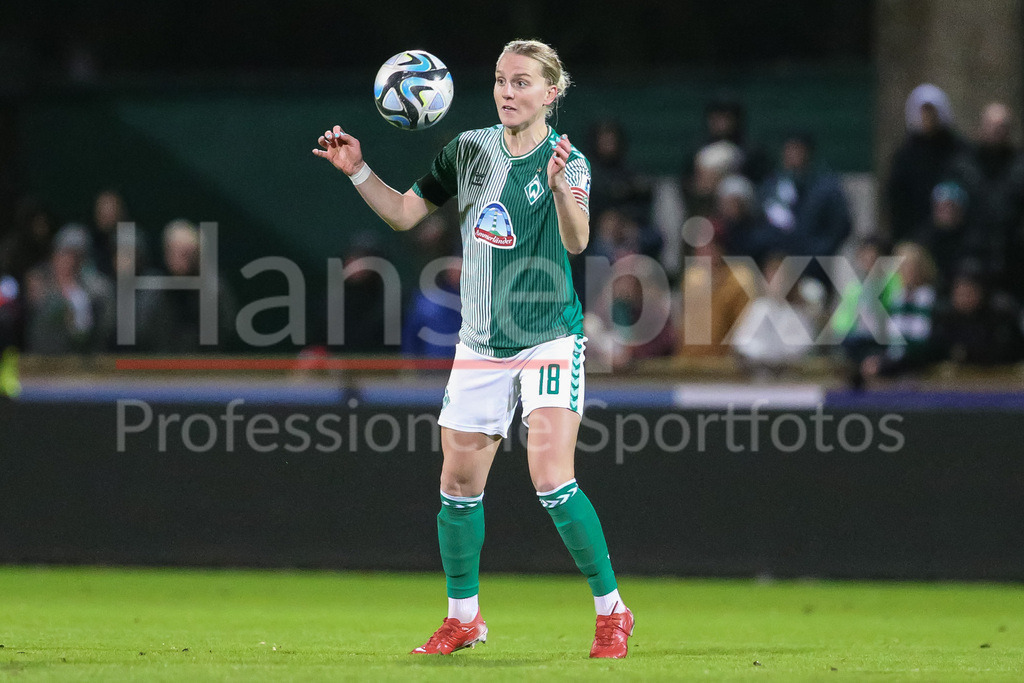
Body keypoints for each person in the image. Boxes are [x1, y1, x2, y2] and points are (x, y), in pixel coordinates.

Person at [313, 39, 633, 659]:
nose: (507, 92)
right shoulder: (468, 150)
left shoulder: (567, 160)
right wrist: (357, 169)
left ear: (551, 93)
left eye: (521, 82)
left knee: (552, 479)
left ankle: (611, 611)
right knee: (458, 483)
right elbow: (405, 214)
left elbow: (577, 240)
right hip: (481, 344)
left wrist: (560, 187)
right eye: (500, 80)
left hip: (548, 339)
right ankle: (464, 618)